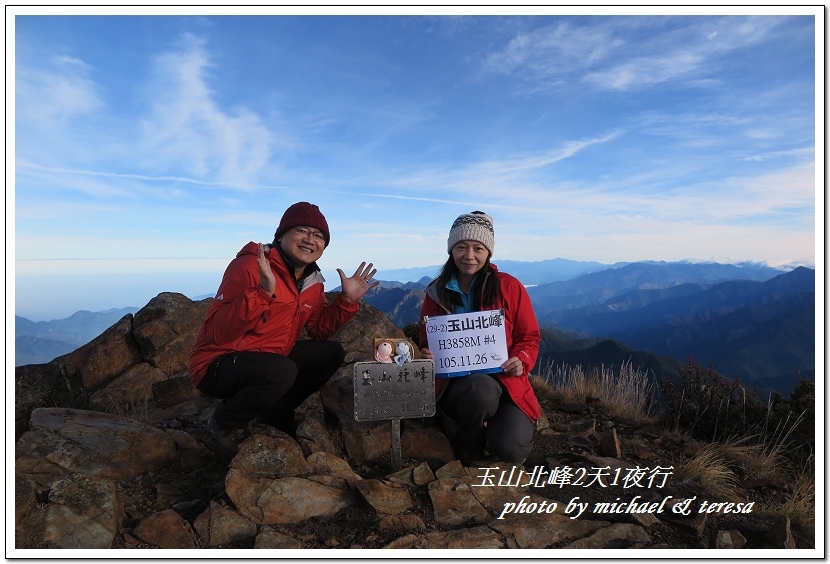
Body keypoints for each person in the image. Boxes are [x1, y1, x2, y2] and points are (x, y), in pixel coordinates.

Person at [188, 201, 379, 458]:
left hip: (269, 360)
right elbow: (219, 333)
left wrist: (346, 301)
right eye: (302, 230)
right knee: (281, 370)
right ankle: (223, 423)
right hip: (216, 364)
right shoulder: (251, 266)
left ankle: (274, 413)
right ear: (281, 235)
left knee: (330, 353)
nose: (310, 239)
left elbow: (319, 331)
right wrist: (262, 293)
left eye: (319, 235)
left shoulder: (311, 280)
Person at [418, 211, 541, 465]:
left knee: (511, 450)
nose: (469, 256)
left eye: (478, 248)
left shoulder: (509, 287)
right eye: (462, 247)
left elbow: (528, 336)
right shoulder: (436, 292)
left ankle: (505, 424)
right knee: (480, 389)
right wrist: (427, 354)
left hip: (507, 381)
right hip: (459, 387)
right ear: (452, 249)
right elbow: (426, 341)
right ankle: (469, 446)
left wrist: (522, 359)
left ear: (489, 252)